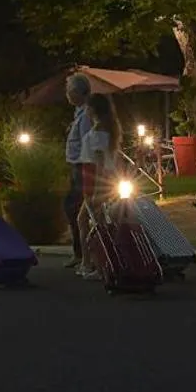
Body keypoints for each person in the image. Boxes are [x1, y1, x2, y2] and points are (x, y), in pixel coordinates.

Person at [76, 93, 123, 279]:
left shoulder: (96, 135)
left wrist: (95, 190)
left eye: (88, 107)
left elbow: (98, 162)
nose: (85, 110)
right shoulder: (109, 132)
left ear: (93, 110)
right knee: (98, 222)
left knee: (88, 222)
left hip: (95, 181)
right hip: (106, 181)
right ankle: (95, 262)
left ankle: (91, 263)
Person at [62, 73, 92, 268]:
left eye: (69, 91)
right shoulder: (79, 114)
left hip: (83, 168)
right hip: (77, 167)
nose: (67, 95)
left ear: (77, 93)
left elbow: (87, 143)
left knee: (77, 209)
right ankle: (81, 253)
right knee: (75, 209)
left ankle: (83, 254)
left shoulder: (86, 116)